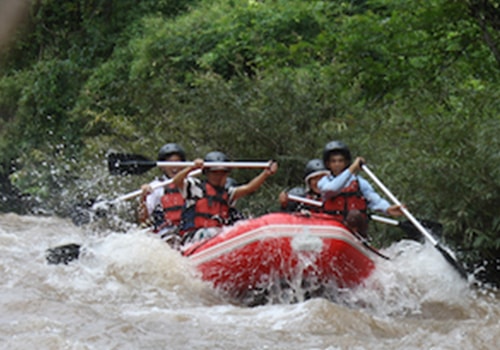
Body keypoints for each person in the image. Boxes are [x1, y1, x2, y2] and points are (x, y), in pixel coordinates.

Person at [173, 151, 278, 244]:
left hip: (218, 238)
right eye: (215, 173)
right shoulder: (195, 187)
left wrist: (266, 173)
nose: (219, 176)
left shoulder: (228, 193)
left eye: (222, 173)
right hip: (194, 237)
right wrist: (191, 168)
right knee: (213, 232)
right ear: (207, 173)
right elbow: (177, 181)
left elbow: (249, 188)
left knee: (231, 230)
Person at [318, 140, 404, 237]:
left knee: (354, 215)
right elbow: (332, 189)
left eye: (340, 161)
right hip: (332, 230)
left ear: (346, 162)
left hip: (355, 232)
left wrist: (387, 209)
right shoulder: (323, 182)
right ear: (328, 164)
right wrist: (352, 169)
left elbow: (375, 200)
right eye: (333, 161)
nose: (337, 164)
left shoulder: (360, 182)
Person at [138, 143, 187, 243]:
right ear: (162, 167)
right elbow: (143, 218)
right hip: (166, 232)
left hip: (188, 230)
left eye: (178, 162)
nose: (175, 167)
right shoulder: (156, 187)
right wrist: (143, 197)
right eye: (170, 163)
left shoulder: (191, 183)